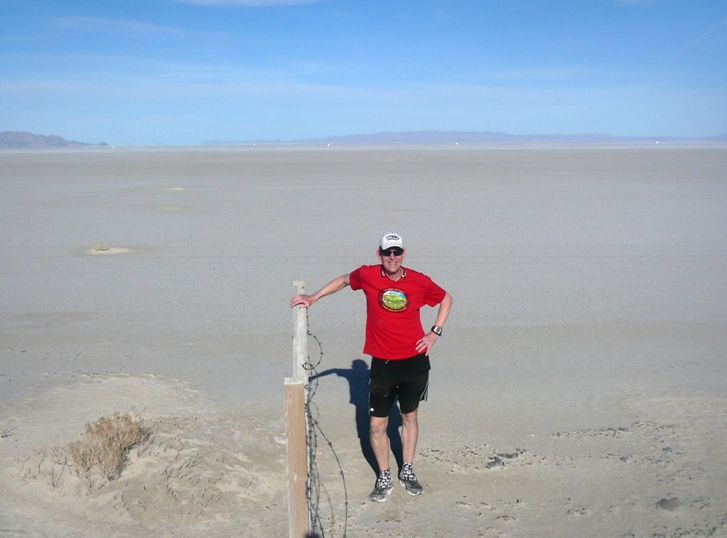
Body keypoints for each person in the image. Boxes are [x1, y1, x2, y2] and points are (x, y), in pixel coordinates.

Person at [291, 232, 453, 503]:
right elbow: (344, 280)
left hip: (415, 363)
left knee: (409, 418)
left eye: (397, 252)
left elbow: (447, 299)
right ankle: (384, 474)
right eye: (387, 252)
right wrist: (314, 297)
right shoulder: (367, 275)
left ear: (403, 254)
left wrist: (434, 332)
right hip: (382, 364)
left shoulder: (419, 280)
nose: (392, 257)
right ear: (379, 253)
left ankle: (408, 470)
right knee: (378, 425)